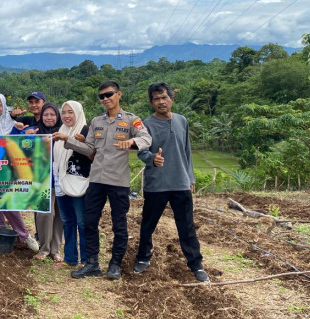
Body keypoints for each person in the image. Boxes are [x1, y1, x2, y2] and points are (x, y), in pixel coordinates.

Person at [68, 81, 151, 280]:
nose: (105, 99)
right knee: (89, 222)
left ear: (119, 94)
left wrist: (132, 141)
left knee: (119, 225)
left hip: (118, 181)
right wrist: (67, 140)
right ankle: (92, 263)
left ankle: (115, 264)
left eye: (109, 94)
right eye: (102, 96)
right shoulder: (96, 122)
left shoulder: (132, 120)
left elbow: (147, 138)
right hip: (96, 180)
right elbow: (89, 149)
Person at [135, 83, 209, 283]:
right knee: (148, 225)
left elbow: (186, 151)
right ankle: (143, 257)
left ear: (171, 99)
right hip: (156, 184)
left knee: (186, 227)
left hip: (180, 183)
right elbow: (141, 151)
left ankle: (196, 265)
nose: (161, 102)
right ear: (152, 102)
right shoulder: (146, 124)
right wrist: (152, 159)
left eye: (164, 98)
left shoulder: (182, 121)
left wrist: (190, 177)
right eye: (156, 99)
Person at [0, 93, 39, 252]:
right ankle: (0, 238)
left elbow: (17, 142)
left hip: (8, 169)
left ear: (4, 107)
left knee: (8, 201)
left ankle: (24, 234)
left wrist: (20, 130)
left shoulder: (13, 124)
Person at [51, 100, 92, 268]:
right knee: (68, 220)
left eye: (70, 112)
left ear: (78, 113)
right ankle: (70, 258)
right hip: (61, 181)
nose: (67, 116)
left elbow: (91, 154)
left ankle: (87, 259)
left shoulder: (86, 130)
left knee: (82, 222)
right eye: (64, 112)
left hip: (79, 183)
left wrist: (71, 140)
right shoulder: (60, 130)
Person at [32, 102, 64, 261]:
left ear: (57, 116)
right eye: (46, 115)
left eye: (52, 114)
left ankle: (55, 249)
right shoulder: (36, 132)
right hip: (43, 179)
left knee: (59, 214)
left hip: (63, 179)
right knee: (44, 214)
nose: (49, 118)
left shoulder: (64, 132)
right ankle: (44, 248)